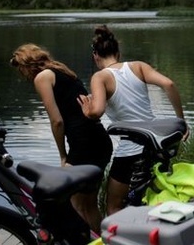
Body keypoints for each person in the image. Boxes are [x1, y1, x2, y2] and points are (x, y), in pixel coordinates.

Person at [77, 24, 188, 215]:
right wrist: (181, 121)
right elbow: (168, 84)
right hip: (156, 145)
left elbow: (98, 111)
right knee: (155, 201)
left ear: (95, 56)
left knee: (113, 207)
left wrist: (88, 112)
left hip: (130, 152)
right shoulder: (138, 66)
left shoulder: (100, 77)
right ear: (118, 52)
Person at [10, 43, 113, 234]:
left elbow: (57, 121)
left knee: (77, 206)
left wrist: (63, 156)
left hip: (84, 145)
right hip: (100, 140)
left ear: (26, 65)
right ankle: (106, 240)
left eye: (21, 69)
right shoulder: (61, 70)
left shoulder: (42, 77)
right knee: (89, 206)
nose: (22, 75)